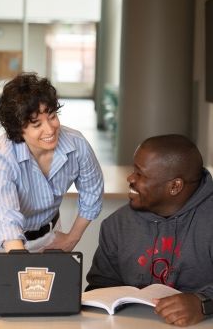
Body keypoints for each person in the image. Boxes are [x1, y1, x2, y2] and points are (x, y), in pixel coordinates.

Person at [0, 72, 103, 274]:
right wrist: (20, 268)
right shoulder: (1, 155)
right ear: (18, 129)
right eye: (36, 124)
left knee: (53, 298)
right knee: (8, 298)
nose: (50, 129)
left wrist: (71, 238)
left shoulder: (76, 144)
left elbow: (92, 192)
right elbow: (8, 221)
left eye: (52, 116)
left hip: (46, 234)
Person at [86, 134, 213, 326]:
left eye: (140, 174)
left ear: (175, 186)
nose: (130, 178)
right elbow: (100, 287)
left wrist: (203, 305)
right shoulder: (117, 224)